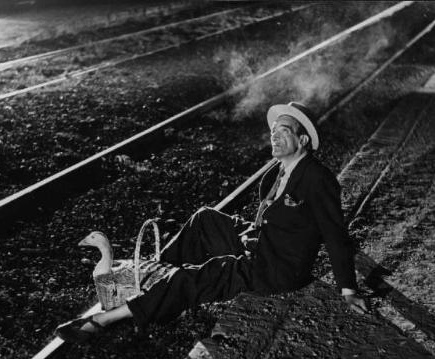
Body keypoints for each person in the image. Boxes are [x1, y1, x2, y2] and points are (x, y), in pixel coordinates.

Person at [56, 102, 369, 343]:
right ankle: (148, 281)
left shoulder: (318, 179)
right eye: (273, 129)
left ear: (302, 140)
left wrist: (348, 289)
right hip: (257, 242)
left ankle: (106, 320)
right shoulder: (277, 171)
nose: (273, 134)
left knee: (191, 279)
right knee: (204, 218)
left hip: (275, 268)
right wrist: (246, 235)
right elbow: (267, 218)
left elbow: (335, 234)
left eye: (283, 130)